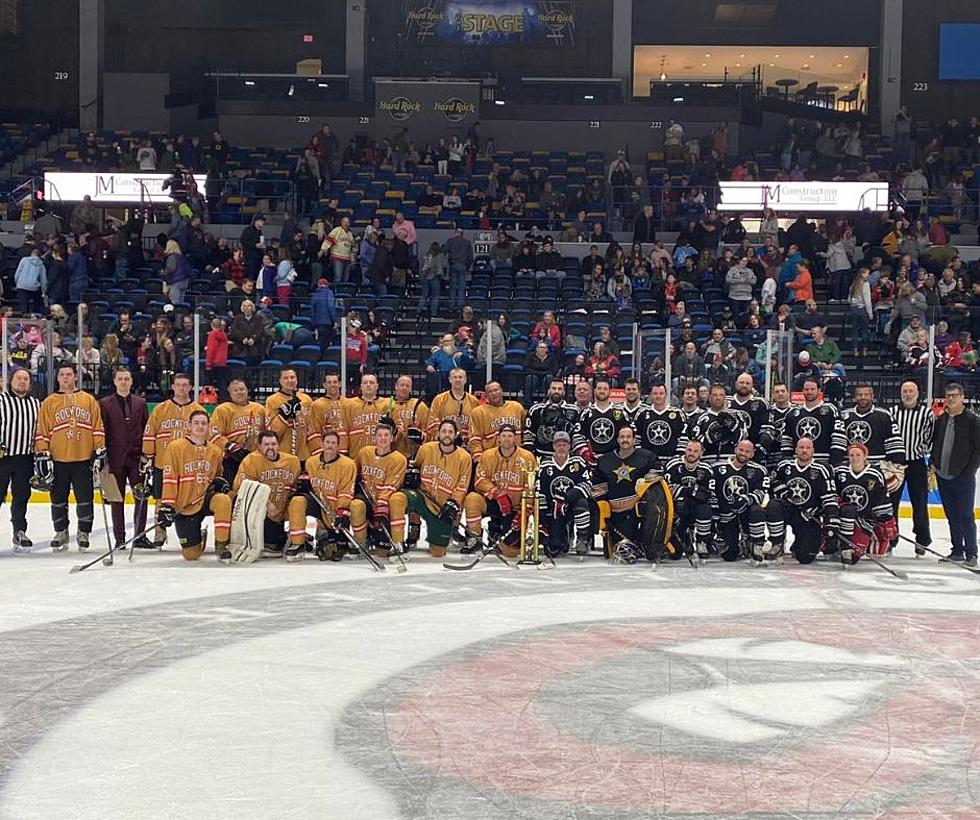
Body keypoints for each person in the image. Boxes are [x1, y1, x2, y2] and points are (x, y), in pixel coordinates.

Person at [34, 364, 106, 551]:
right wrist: (43, 453)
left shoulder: (89, 400)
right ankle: (61, 532)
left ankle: (83, 532)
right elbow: (42, 430)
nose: (66, 378)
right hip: (58, 459)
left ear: (75, 377)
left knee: (85, 498)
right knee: (58, 498)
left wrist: (100, 449)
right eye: (62, 375)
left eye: (69, 374)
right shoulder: (49, 402)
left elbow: (97, 427)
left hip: (83, 458)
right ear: (57, 378)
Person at [142, 372, 207, 547]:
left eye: (185, 385)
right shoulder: (161, 409)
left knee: (187, 498)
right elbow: (150, 433)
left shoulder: (197, 410)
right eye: (178, 385)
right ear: (173, 387)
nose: (181, 388)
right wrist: (148, 456)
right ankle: (160, 530)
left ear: (191, 387)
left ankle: (190, 530)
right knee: (160, 498)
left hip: (187, 465)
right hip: (162, 462)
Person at [157, 409, 232, 562]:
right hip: (185, 505)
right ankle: (200, 538)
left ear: (208, 426)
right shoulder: (175, 447)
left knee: (223, 500)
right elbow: (170, 478)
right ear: (189, 426)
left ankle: (221, 544)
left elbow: (217, 475)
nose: (200, 426)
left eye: (204, 423)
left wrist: (218, 482)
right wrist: (167, 505)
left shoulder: (215, 451)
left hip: (205, 499)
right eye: (196, 423)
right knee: (191, 555)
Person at [591, 426, 670, 565]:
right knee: (624, 549)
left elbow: (659, 474)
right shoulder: (605, 461)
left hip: (643, 512)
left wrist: (646, 480)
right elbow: (598, 487)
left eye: (628, 437)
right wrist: (603, 509)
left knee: (653, 543)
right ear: (617, 440)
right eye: (622, 437)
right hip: (617, 514)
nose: (625, 440)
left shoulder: (647, 457)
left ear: (634, 440)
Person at [462, 425, 536, 556]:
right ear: (498, 439)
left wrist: (523, 512)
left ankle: (496, 534)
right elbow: (479, 480)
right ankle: (475, 538)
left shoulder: (527, 457)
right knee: (472, 499)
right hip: (494, 501)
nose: (507, 439)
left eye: (510, 436)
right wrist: (495, 493)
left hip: (515, 507)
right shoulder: (487, 456)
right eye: (504, 436)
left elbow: (531, 486)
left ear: (515, 439)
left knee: (511, 550)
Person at [232, 430, 307, 560]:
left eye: (273, 444)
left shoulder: (292, 462)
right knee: (269, 546)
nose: (270, 447)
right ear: (259, 446)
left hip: (280, 513)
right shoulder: (251, 460)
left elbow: (296, 488)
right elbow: (241, 487)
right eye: (266, 445)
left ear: (278, 445)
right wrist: (266, 503)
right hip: (258, 513)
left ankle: (294, 535)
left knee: (274, 546)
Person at [404, 419, 472, 558]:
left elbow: (462, 485)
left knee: (438, 552)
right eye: (444, 431)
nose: (447, 435)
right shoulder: (426, 449)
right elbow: (415, 466)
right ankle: (403, 537)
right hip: (423, 497)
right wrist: (412, 474)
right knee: (400, 498)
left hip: (442, 507)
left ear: (456, 434)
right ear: (438, 434)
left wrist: (453, 502)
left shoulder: (464, 457)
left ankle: (438, 537)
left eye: (450, 432)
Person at [98, 369, 149, 550]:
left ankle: (140, 536)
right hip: (113, 460)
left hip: (136, 460)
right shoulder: (104, 404)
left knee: (141, 497)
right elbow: (101, 431)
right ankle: (119, 538)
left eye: (127, 378)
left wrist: (146, 454)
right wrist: (102, 459)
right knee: (115, 500)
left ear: (131, 381)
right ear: (114, 381)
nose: (123, 382)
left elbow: (146, 429)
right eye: (120, 379)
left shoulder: (141, 403)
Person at [930, 383, 980, 566]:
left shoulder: (973, 421)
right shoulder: (941, 419)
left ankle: (971, 553)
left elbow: (977, 450)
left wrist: (969, 470)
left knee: (966, 514)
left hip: (963, 476)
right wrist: (933, 462)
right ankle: (957, 550)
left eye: (955, 395)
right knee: (951, 514)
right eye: (948, 396)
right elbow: (935, 444)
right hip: (943, 475)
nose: (951, 399)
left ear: (962, 396)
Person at [769, 437, 839, 565]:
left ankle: (801, 544)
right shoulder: (784, 465)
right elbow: (771, 480)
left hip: (809, 515)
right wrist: (780, 488)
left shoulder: (823, 469)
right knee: (774, 506)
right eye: (801, 447)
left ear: (813, 451)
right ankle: (777, 543)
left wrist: (832, 518)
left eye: (807, 448)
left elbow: (829, 496)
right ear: (796, 450)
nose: (804, 451)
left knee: (805, 558)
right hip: (789, 510)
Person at [834, 443, 898, 565]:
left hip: (864, 521)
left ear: (865, 456)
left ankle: (867, 541)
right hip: (842, 518)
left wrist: (886, 519)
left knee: (855, 557)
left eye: (858, 455)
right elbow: (832, 493)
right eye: (852, 455)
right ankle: (837, 544)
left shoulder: (874, 474)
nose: (855, 458)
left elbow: (881, 499)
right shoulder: (840, 471)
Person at [353, 419, 408, 559]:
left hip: (385, 506)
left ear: (392, 438)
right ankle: (360, 542)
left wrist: (382, 506)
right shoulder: (364, 453)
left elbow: (391, 485)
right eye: (380, 435)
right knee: (356, 505)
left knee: (381, 553)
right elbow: (352, 469)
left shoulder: (399, 459)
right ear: (374, 438)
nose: (383, 438)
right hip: (367, 499)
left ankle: (397, 542)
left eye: (386, 435)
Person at [709, 439, 770, 562]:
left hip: (747, 512)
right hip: (726, 515)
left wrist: (746, 499)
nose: (743, 453)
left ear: (752, 454)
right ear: (736, 449)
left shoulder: (759, 471)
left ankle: (756, 543)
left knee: (758, 510)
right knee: (729, 555)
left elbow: (761, 493)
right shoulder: (717, 468)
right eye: (741, 450)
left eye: (747, 451)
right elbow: (711, 492)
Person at [0, 368, 41, 550]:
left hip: (25, 458)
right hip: (2, 459)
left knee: (22, 495)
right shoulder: (1, 401)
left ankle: (19, 531)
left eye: (26, 379)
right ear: (10, 381)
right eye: (19, 378)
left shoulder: (36, 404)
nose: (22, 381)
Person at [536, 431, 593, 558]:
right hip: (554, 508)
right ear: (553, 446)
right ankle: (559, 534)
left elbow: (587, 485)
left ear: (569, 446)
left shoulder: (578, 462)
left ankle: (582, 538)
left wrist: (566, 498)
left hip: (572, 505)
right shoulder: (545, 466)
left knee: (582, 502)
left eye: (564, 444)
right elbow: (539, 491)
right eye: (558, 444)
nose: (561, 447)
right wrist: (543, 520)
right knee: (554, 547)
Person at [209, 378, 266, 486]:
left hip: (255, 457)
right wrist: (230, 446)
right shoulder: (222, 409)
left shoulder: (259, 408)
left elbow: (266, 432)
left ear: (247, 390)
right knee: (232, 488)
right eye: (235, 390)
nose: (239, 392)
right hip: (232, 459)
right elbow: (213, 434)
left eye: (242, 389)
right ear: (230, 393)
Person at [664, 439, 713, 561]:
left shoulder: (706, 469)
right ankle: (682, 535)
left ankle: (702, 542)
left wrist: (686, 491)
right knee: (676, 554)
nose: (692, 453)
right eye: (689, 450)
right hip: (676, 508)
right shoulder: (673, 464)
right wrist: (692, 491)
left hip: (696, 507)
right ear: (685, 450)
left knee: (705, 509)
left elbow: (707, 494)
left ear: (701, 453)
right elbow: (667, 489)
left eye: (696, 451)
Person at [837, 384, 905, 469]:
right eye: (859, 395)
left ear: (872, 396)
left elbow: (894, 443)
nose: (863, 397)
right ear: (855, 397)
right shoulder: (844, 416)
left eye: (866, 394)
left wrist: (896, 464)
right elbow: (838, 443)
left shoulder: (884, 415)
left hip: (877, 465)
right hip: (850, 465)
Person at [780, 377, 843, 465]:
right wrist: (788, 462)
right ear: (802, 391)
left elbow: (838, 440)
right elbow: (787, 441)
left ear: (819, 390)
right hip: (799, 464)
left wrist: (834, 463)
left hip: (823, 462)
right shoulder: (792, 413)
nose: (809, 392)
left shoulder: (831, 411)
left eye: (812, 389)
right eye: (806, 389)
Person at [265, 367, 320, 462]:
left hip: (305, 454)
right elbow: (273, 431)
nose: (290, 380)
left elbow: (311, 427)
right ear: (280, 381)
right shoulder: (273, 400)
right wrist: (283, 414)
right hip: (284, 454)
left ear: (297, 380)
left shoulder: (306, 399)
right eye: (286, 378)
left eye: (292, 377)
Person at [572, 378, 630, 465]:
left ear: (610, 391)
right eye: (599, 388)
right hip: (591, 462)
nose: (602, 391)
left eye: (605, 389)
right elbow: (577, 435)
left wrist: (623, 453)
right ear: (594, 391)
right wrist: (585, 453)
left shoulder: (619, 412)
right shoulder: (586, 413)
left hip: (615, 461)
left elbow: (630, 435)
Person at [689, 384, 749, 468]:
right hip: (707, 462)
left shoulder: (737, 415)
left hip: (731, 461)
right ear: (709, 397)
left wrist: (733, 429)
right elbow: (695, 442)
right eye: (715, 395)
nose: (718, 398)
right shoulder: (700, 418)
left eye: (721, 395)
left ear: (725, 397)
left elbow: (744, 438)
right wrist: (710, 438)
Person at [633, 383, 688, 468]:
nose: (658, 396)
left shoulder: (677, 413)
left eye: (661, 393)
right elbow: (636, 438)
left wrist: (677, 458)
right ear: (651, 395)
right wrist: (642, 456)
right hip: (647, 462)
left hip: (671, 461)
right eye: (655, 393)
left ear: (666, 395)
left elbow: (684, 437)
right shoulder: (642, 413)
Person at [523, 379, 581, 460]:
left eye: (560, 389)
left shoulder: (575, 410)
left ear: (564, 392)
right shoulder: (536, 409)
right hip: (541, 455)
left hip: (566, 457)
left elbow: (578, 434)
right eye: (554, 388)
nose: (556, 391)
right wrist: (529, 454)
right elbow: (529, 433)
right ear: (548, 391)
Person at [469, 381, 525, 463]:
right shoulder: (478, 412)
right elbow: (474, 439)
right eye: (490, 391)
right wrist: (478, 459)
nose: (494, 393)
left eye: (496, 390)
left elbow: (525, 432)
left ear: (502, 391)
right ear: (486, 395)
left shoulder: (517, 408)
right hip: (490, 460)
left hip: (516, 459)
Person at [428, 367, 480, 450]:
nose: (457, 380)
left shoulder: (474, 401)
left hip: (466, 448)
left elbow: (477, 427)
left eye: (460, 377)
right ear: (450, 379)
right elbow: (433, 424)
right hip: (444, 445)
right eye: (455, 377)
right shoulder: (439, 400)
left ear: (465, 380)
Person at [341, 372, 389, 457]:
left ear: (377, 386)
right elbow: (344, 429)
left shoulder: (387, 404)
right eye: (365, 383)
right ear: (361, 386)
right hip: (355, 455)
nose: (368, 385)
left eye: (371, 382)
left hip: (382, 456)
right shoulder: (349, 404)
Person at [444, 227, 473, 311]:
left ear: (455, 232)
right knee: (461, 287)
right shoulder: (467, 243)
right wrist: (467, 266)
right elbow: (470, 257)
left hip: (453, 265)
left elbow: (444, 250)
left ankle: (452, 305)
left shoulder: (450, 241)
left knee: (453, 287)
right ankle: (460, 306)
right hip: (463, 266)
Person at [14, 248, 46, 316]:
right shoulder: (41, 264)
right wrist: (44, 290)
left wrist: (17, 282)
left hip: (22, 284)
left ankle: (24, 314)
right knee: (33, 302)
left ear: (32, 253)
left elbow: (18, 272)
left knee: (23, 302)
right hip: (34, 286)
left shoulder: (24, 260)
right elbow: (43, 278)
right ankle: (31, 314)